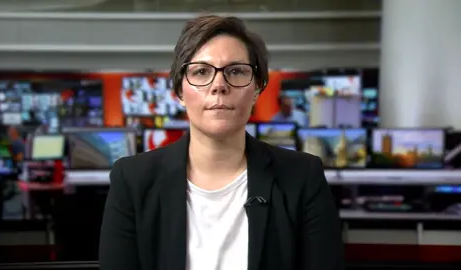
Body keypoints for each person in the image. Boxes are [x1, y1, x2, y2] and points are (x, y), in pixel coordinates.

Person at [99, 15, 344, 270]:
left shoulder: (302, 177)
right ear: (180, 91)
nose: (219, 85)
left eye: (236, 71)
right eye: (201, 72)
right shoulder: (132, 179)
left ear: (257, 88)